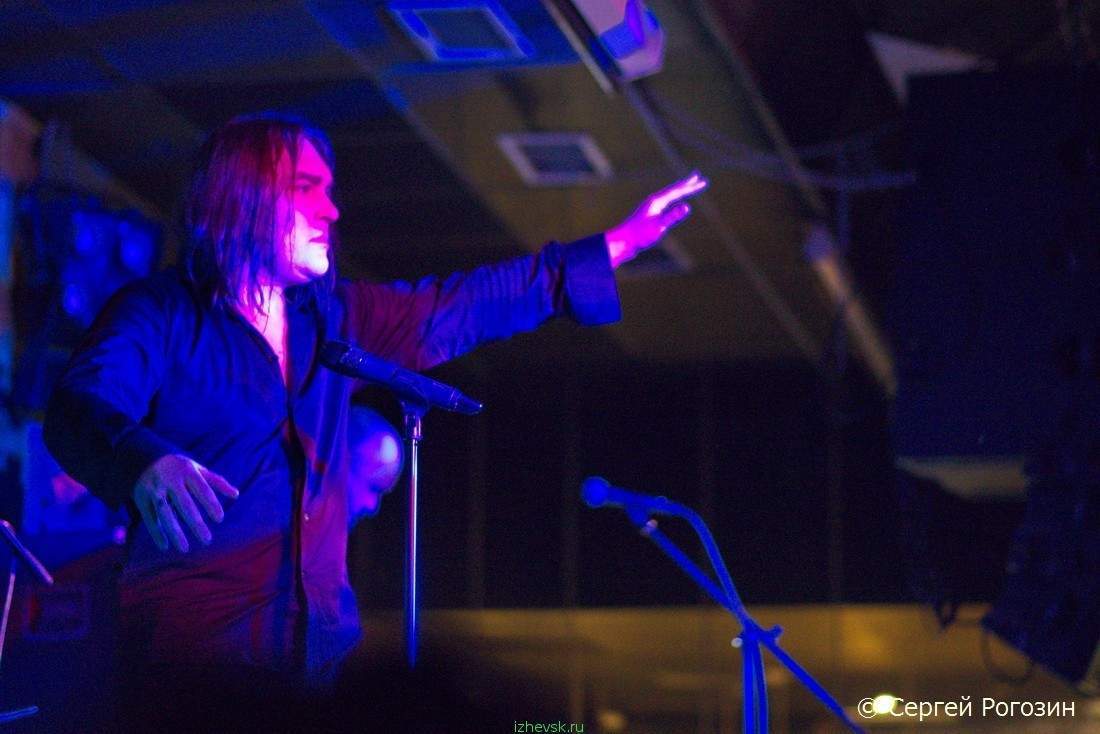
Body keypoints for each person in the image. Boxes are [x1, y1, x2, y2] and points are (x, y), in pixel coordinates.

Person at [41, 113, 706, 712]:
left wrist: (612, 247)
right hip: (197, 670)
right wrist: (143, 462)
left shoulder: (335, 320)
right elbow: (78, 405)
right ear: (245, 194)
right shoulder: (160, 314)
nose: (331, 210)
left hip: (319, 662)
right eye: (307, 188)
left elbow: (459, 306)